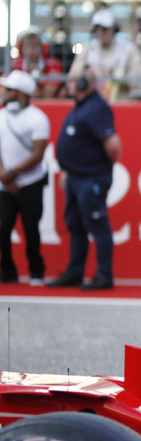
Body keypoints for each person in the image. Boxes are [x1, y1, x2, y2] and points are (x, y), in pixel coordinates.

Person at [47, 70, 121, 291]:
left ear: (82, 83)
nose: (67, 84)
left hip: (91, 178)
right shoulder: (81, 105)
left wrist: (99, 169)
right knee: (76, 225)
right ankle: (75, 272)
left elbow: (113, 145)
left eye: (71, 80)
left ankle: (103, 275)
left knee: (98, 226)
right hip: (75, 177)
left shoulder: (96, 107)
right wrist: (69, 170)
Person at [0, 71, 50, 285]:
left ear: (21, 94)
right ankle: (8, 271)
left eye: (9, 90)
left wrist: (11, 173)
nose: (4, 93)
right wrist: (4, 175)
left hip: (31, 183)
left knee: (31, 227)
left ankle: (36, 271)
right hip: (5, 185)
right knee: (3, 228)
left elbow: (37, 155)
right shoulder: (2, 116)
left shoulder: (38, 118)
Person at [67, 8, 141, 101]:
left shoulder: (128, 50)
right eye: (96, 29)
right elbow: (72, 77)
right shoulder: (87, 49)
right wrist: (89, 74)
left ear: (114, 29)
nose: (100, 33)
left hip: (121, 102)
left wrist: (114, 77)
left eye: (104, 29)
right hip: (92, 103)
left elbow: (137, 81)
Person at [11, 26, 64, 99]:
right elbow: (4, 91)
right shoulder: (15, 64)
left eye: (35, 46)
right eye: (27, 46)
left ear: (42, 47)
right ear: (21, 48)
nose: (31, 50)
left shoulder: (53, 63)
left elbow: (46, 95)